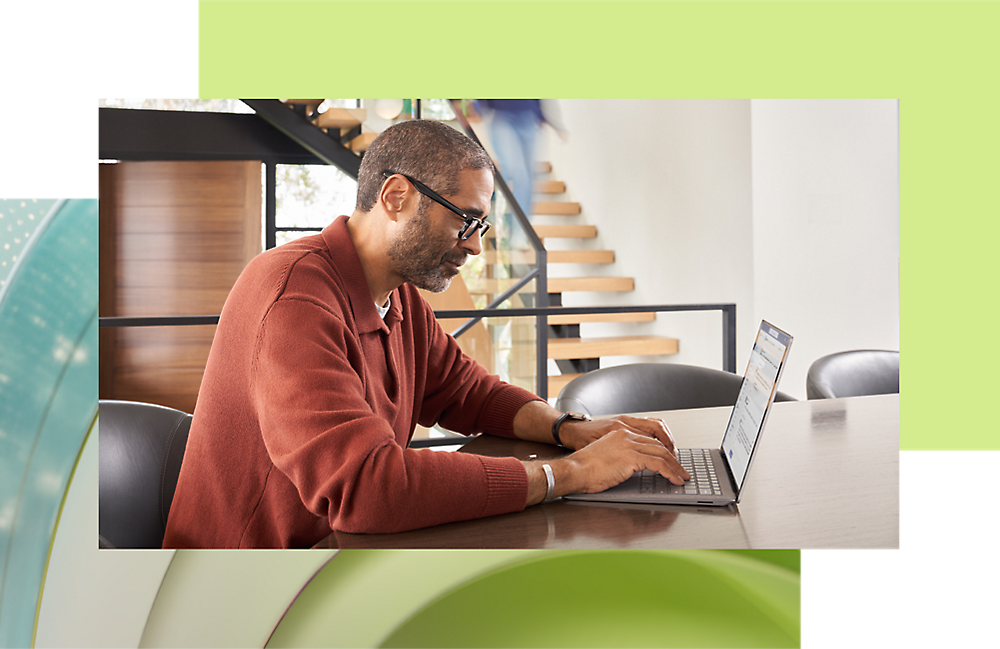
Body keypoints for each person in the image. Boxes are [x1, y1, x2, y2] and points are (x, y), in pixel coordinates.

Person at [162, 120, 688, 549]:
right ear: (396, 196)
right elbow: (366, 487)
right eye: (466, 221)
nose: (475, 247)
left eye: (480, 229)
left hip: (338, 556)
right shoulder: (293, 298)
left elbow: (466, 392)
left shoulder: (400, 296)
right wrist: (567, 475)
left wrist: (567, 431)